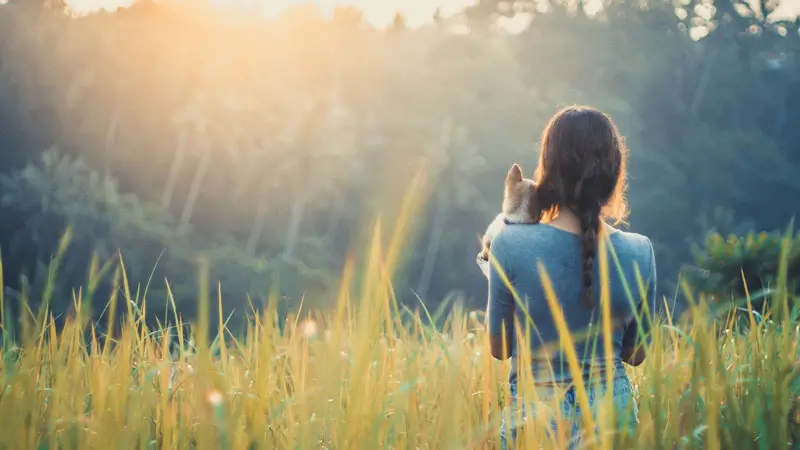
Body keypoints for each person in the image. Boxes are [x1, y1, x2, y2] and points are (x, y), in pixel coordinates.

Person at [485, 106, 658, 448]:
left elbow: (500, 348)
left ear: (549, 171)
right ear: (613, 175)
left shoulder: (511, 244)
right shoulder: (641, 251)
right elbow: (636, 354)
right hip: (614, 419)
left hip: (534, 421)